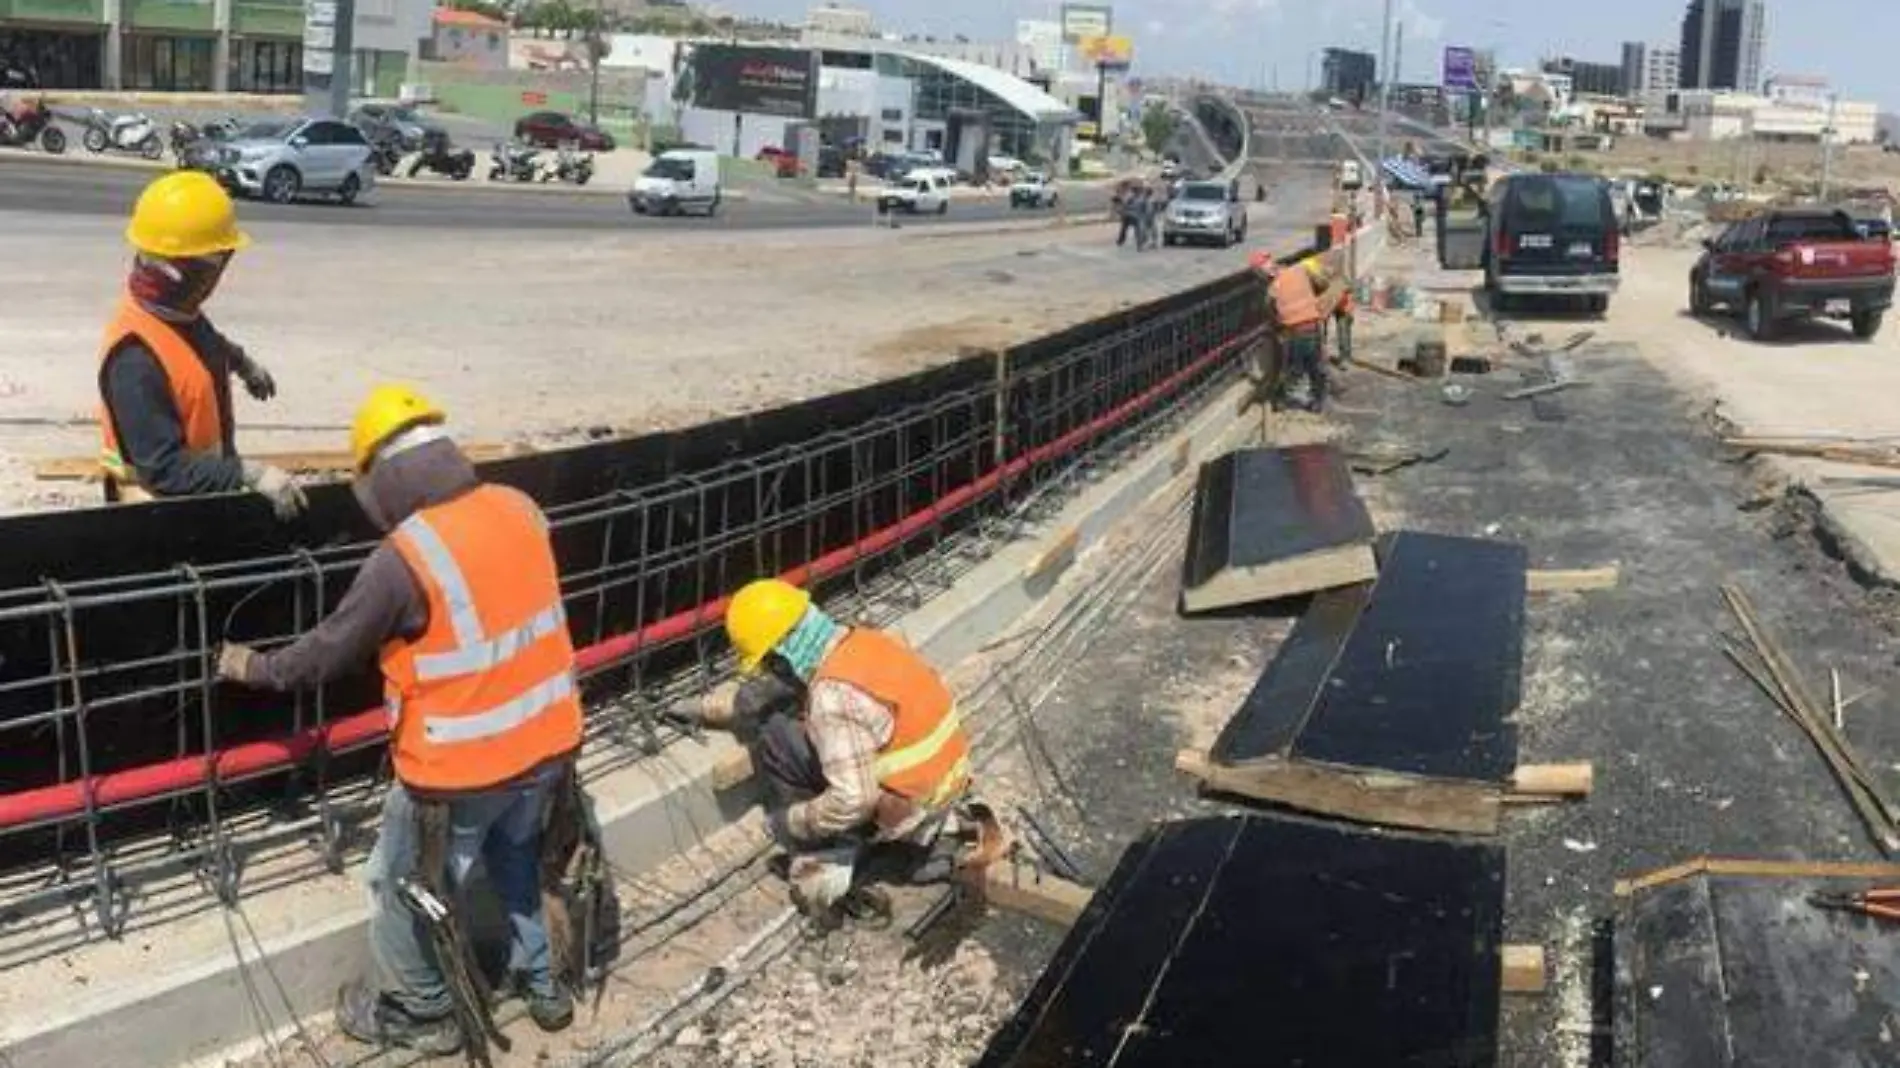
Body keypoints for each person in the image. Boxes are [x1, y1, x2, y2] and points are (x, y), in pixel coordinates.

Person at [216, 384, 583, 1055]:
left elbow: (329, 650)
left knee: (400, 884)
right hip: (550, 744)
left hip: (462, 770)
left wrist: (254, 668)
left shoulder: (405, 558)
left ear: (381, 479)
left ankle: (423, 1011)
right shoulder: (518, 507)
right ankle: (545, 987)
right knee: (518, 858)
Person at [690, 579, 994, 923]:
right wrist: (708, 710)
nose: (767, 672)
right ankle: (915, 841)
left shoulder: (832, 698)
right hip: (946, 780)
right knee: (798, 716)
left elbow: (854, 800)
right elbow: (779, 689)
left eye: (767, 663)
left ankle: (828, 854)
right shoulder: (864, 641)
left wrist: (792, 823)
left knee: (778, 735)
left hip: (911, 811)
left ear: (780, 655)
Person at [98, 171, 305, 517]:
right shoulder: (135, 360)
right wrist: (249, 474)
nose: (220, 274)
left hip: (201, 493)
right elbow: (165, 472)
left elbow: (200, 337)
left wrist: (241, 362)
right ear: (182, 271)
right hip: (161, 514)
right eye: (216, 263)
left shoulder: (173, 309)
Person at [1255, 253, 1332, 413]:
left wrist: (1277, 329)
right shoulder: (1300, 270)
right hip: (1313, 326)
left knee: (1292, 368)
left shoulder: (1272, 289)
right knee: (1315, 367)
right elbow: (1323, 283)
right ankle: (1318, 402)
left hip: (1295, 332)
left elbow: (1271, 314)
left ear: (1263, 273)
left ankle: (1280, 402)